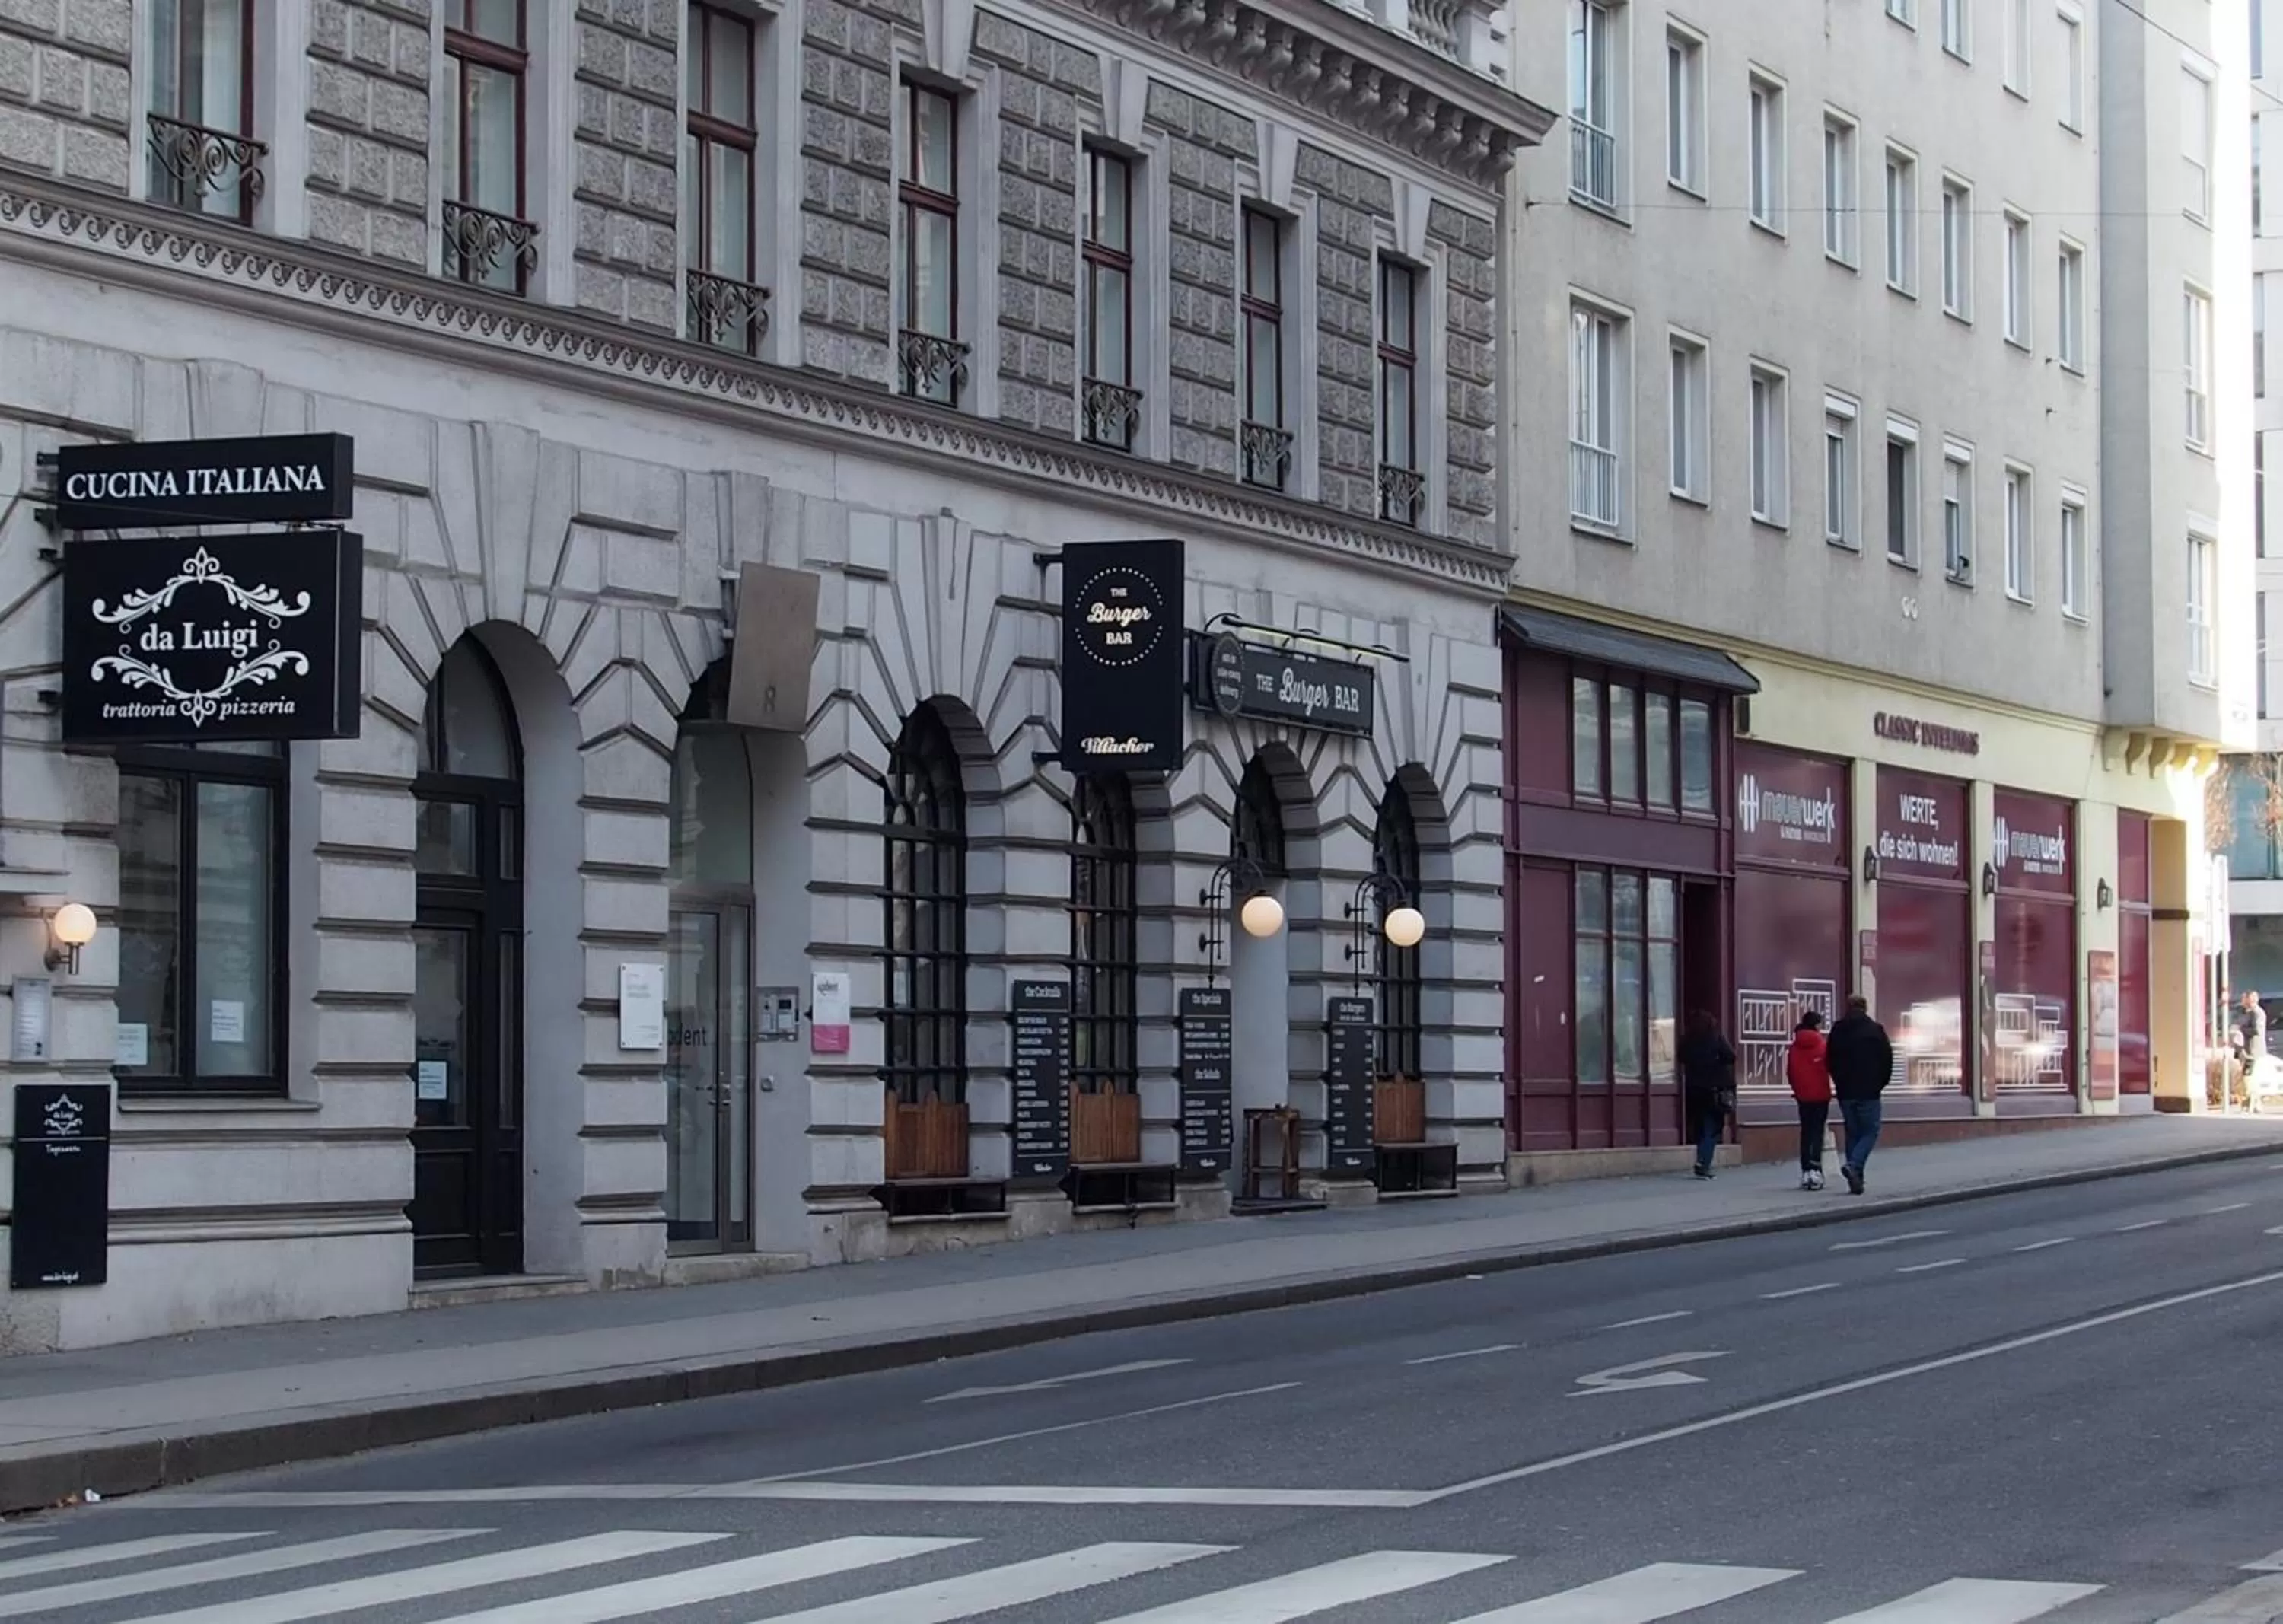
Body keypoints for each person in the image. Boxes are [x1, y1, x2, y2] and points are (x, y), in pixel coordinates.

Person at [1824, 995, 1894, 1196]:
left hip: (1846, 1091)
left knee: (1853, 1132)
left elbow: (1830, 1060)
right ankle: (1854, 1166)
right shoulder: (1875, 1030)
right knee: (1871, 1131)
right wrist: (1880, 1084)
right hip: (1869, 1090)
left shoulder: (1838, 1030)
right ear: (1865, 1008)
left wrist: (1839, 1082)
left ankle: (1857, 1180)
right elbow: (1887, 1060)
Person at [1678, 1010, 1736, 1180]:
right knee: (1712, 1127)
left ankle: (1701, 1158)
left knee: (1700, 1125)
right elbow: (1731, 1056)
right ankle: (1704, 1162)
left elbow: (1681, 1057)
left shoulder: (1687, 1040)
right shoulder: (1716, 1038)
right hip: (1715, 1088)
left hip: (1694, 1087)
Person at [1785, 1010, 1833, 1191]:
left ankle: (1806, 1171)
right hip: (1821, 1095)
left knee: (1806, 1132)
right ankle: (1816, 1169)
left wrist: (1797, 1089)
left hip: (1802, 1096)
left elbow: (1790, 1072)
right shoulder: (1822, 1046)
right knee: (1817, 1132)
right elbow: (1830, 1067)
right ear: (1816, 1025)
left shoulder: (1794, 1047)